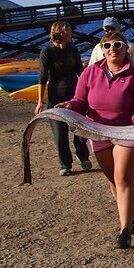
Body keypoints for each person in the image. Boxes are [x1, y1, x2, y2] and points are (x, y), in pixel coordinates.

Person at [56, 31, 134, 249]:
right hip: (97, 132)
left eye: (117, 44)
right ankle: (130, 212)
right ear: (102, 49)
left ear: (126, 48)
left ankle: (124, 230)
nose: (112, 49)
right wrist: (69, 106)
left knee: (123, 178)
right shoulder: (90, 73)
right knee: (112, 180)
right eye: (107, 45)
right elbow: (80, 101)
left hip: (127, 133)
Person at [35, 21, 92, 176]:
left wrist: (90, 89)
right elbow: (42, 77)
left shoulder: (72, 49)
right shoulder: (47, 52)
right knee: (60, 134)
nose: (72, 33)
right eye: (69, 30)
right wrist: (40, 101)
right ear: (61, 33)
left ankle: (83, 156)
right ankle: (65, 164)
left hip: (75, 95)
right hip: (56, 96)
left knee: (80, 129)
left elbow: (80, 71)